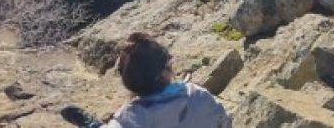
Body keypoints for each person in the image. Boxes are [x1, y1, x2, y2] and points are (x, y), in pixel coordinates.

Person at [59, 33, 231, 128]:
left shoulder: (129, 117)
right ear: (163, 73)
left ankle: (92, 126)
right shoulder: (197, 95)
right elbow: (224, 122)